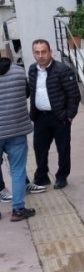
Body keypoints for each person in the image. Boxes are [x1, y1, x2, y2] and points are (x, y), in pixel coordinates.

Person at [27, 39, 80, 190]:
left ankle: (62, 176)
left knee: (63, 148)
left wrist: (68, 115)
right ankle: (42, 176)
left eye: (44, 51)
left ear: (50, 52)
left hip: (59, 117)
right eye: (37, 52)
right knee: (39, 147)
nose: (40, 55)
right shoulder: (32, 70)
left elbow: (74, 95)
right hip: (40, 117)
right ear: (33, 53)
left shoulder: (63, 70)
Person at [0, 55, 36, 221]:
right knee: (18, 170)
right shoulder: (18, 71)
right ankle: (18, 210)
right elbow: (27, 93)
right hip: (16, 129)